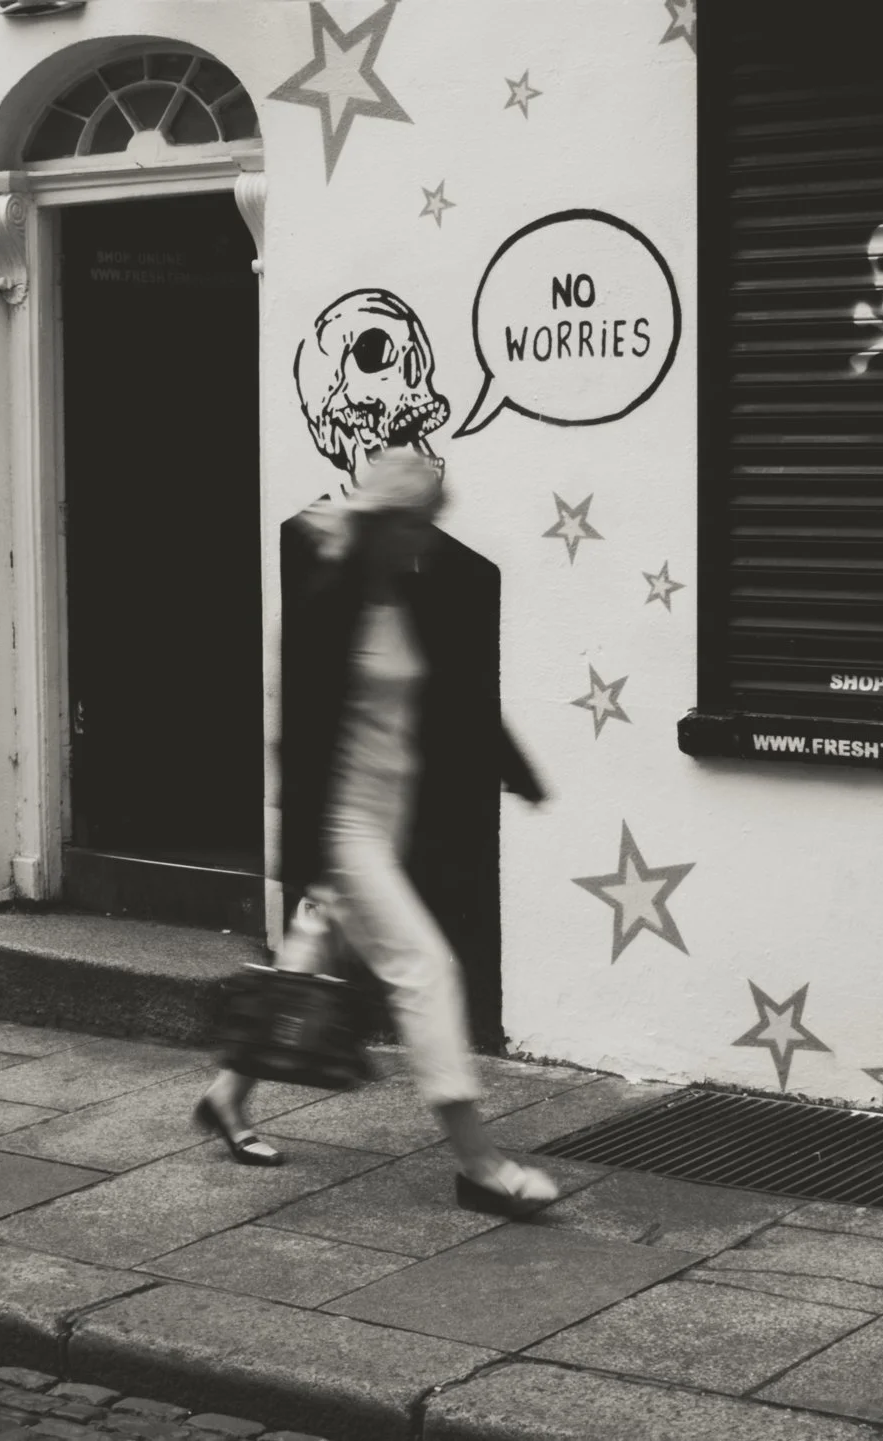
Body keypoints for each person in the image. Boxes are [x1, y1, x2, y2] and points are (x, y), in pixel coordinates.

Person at [196, 446, 559, 1217]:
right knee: (426, 968)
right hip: (344, 826)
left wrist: (518, 770)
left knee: (312, 951)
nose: (429, 536)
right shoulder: (330, 596)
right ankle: (479, 1164)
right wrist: (306, 849)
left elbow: (458, 693)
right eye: (419, 522)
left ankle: (226, 1097)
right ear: (386, 521)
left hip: (384, 818)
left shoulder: (403, 593)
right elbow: (295, 735)